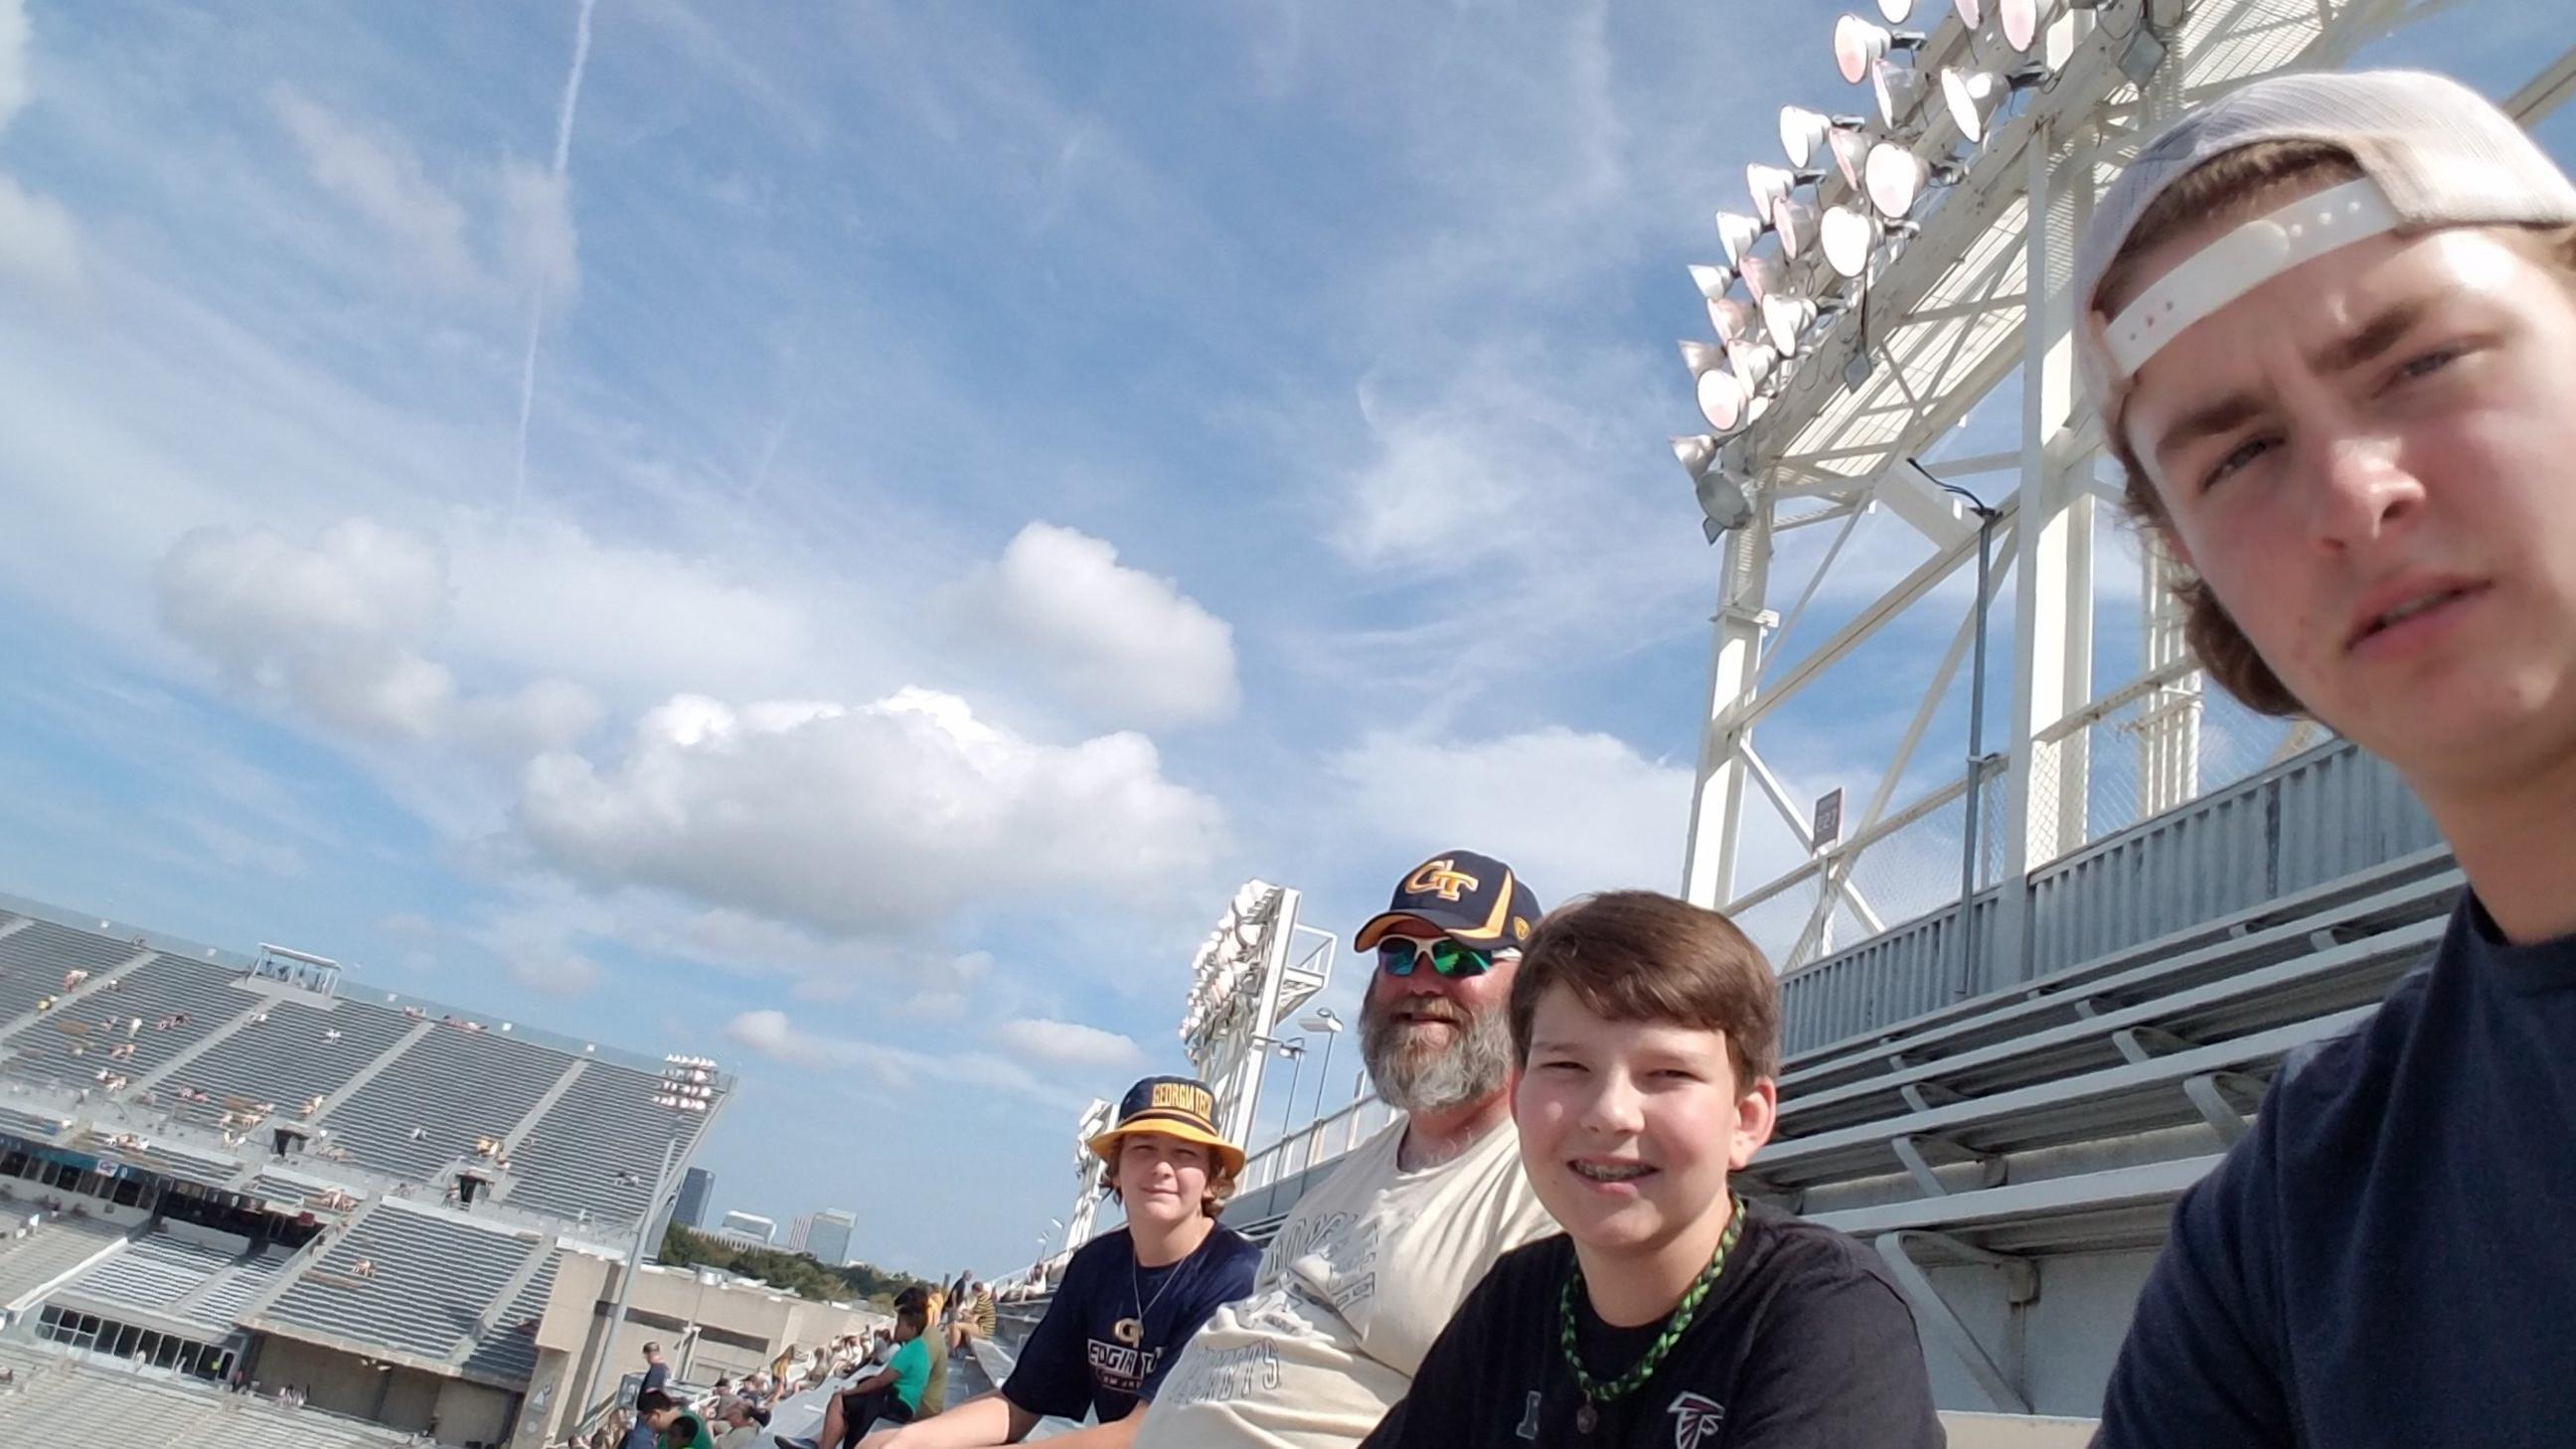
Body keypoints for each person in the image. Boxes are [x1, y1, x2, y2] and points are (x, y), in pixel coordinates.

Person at [2062, 69, 2576, 1446]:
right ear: (2207, 587)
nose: (2354, 494)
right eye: (2239, 455)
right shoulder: (2289, 1225)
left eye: (2422, 363)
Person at [1360, 890, 1942, 1445]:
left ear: (1745, 1120)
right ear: (1517, 1097)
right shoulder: (1516, 1300)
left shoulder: (1828, 1315)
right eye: (1567, 1067)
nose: (1610, 1113)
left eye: (1667, 1074)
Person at [1135, 851, 1561, 1449]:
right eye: (1399, 954)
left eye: (1458, 956)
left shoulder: (1545, 1187)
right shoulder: (1353, 1176)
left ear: (1531, 990)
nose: (1420, 980)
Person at [870, 1075, 1262, 1447]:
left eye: (1184, 1154)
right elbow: (1019, 1403)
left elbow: (1145, 1436)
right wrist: (908, 1440)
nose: (1161, 1167)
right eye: (1144, 1148)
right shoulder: (1096, 1265)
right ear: (1115, 1171)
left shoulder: (1237, 1276)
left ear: (1212, 1179)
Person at [788, 1289, 936, 1448]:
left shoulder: (909, 1351)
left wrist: (850, 1392)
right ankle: (820, 1443)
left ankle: (824, 1446)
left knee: (839, 1400)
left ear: (912, 1329)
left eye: (899, 1324)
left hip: (896, 1405)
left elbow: (880, 1381)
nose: (896, 1328)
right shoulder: (918, 1347)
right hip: (904, 1405)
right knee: (851, 1407)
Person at [638, 1387, 719, 1449]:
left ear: (656, 1414)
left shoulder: (685, 1426)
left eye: (645, 1421)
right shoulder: (681, 1421)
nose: (648, 1427)